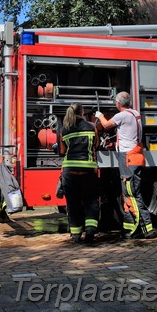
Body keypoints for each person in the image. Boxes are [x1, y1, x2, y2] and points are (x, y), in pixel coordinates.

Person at [96, 91, 157, 239]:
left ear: (118, 104)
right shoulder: (135, 113)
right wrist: (115, 144)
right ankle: (129, 230)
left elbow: (105, 125)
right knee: (128, 195)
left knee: (132, 194)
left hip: (128, 159)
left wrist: (99, 115)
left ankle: (147, 229)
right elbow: (128, 134)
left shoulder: (121, 115)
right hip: (135, 155)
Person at [59, 103, 100, 243]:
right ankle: (90, 233)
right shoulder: (91, 127)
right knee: (91, 202)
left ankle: (76, 235)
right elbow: (97, 145)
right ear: (82, 112)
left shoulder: (64, 130)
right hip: (87, 169)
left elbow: (62, 151)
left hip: (69, 170)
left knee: (72, 203)